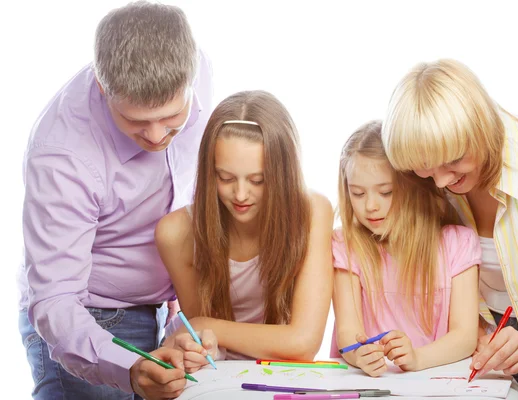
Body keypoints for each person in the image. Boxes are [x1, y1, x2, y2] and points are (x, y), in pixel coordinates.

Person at [18, 2, 215, 399]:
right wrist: (128, 368)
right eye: (138, 121)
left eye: (172, 117)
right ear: (103, 87)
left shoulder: (197, 67)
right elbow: (55, 299)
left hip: (163, 310)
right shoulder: (61, 156)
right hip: (88, 322)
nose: (158, 135)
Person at [382, 59, 518, 399]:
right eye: (426, 167)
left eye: (453, 160)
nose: (441, 181)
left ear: (480, 127)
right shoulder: (431, 182)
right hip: (487, 342)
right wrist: (477, 328)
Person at [155, 90, 333, 364]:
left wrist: (206, 323)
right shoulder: (176, 233)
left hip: (278, 372)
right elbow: (203, 340)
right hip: (219, 375)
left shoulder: (313, 212)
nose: (240, 195)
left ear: (283, 176)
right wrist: (202, 343)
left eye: (258, 181)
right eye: (225, 178)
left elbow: (304, 343)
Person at [331, 120, 481, 377]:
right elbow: (347, 331)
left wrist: (417, 357)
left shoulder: (458, 244)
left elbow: (465, 336)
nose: (371, 206)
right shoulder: (347, 246)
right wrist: (359, 355)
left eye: (386, 192)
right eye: (358, 193)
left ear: (416, 188)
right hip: (371, 385)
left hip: (438, 381)